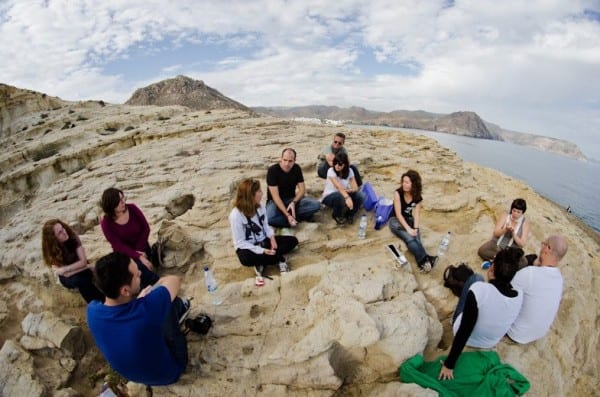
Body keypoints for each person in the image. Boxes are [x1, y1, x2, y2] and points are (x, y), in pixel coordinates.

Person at [87, 252, 190, 386]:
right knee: (171, 304)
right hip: (169, 373)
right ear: (125, 291)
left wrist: (139, 300)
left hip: (133, 376)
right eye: (136, 275)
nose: (141, 273)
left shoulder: (92, 311)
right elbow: (174, 280)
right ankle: (183, 309)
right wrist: (153, 291)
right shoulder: (146, 310)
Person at [439, 247, 524, 380]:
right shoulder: (519, 295)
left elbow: (464, 331)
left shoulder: (479, 290)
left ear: (491, 268)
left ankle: (453, 318)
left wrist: (449, 365)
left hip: (467, 336)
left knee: (476, 277)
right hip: (489, 343)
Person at [230, 179, 299, 286]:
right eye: (259, 191)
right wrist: (261, 250)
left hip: (264, 241)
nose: (262, 194)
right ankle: (278, 259)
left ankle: (263, 261)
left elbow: (266, 226)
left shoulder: (260, 206)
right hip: (249, 247)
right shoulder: (236, 215)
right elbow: (240, 242)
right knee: (245, 258)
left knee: (293, 241)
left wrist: (272, 238)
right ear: (251, 195)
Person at [507, 235, 567, 344]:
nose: (541, 246)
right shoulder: (559, 279)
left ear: (548, 248)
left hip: (516, 333)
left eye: (543, 244)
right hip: (538, 334)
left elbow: (505, 292)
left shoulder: (530, 273)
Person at [100, 187, 159, 288]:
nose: (123, 202)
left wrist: (139, 250)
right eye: (119, 201)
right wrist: (137, 255)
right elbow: (118, 245)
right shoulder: (106, 223)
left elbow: (146, 228)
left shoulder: (132, 208)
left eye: (123, 198)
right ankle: (157, 285)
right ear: (111, 205)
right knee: (138, 266)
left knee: (144, 264)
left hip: (141, 245)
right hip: (124, 253)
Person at [41, 219, 104, 303]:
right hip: (70, 277)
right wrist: (87, 267)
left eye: (62, 228)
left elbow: (83, 261)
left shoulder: (72, 236)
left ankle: (103, 302)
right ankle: (97, 305)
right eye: (59, 233)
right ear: (53, 239)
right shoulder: (51, 249)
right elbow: (66, 274)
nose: (64, 232)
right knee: (82, 279)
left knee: (93, 275)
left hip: (78, 268)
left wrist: (83, 266)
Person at [388, 170, 437, 272]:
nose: (404, 185)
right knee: (409, 239)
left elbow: (417, 214)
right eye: (403, 182)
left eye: (407, 182)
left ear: (413, 184)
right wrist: (408, 230)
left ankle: (424, 262)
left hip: (409, 219)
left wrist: (415, 228)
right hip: (395, 221)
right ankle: (423, 262)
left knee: (417, 240)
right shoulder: (398, 193)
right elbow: (398, 214)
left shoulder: (417, 196)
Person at [266, 148, 321, 228]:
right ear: (281, 159)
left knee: (316, 205)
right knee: (270, 218)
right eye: (285, 160)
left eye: (290, 161)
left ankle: (289, 217)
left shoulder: (296, 168)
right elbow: (275, 197)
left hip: (291, 199)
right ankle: (293, 218)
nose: (287, 164)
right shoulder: (273, 171)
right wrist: (287, 215)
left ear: (294, 160)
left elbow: (302, 190)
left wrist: (293, 202)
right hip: (275, 202)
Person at [478, 198, 530, 268]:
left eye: (518, 212)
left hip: (512, 251)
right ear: (511, 209)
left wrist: (513, 234)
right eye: (514, 210)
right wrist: (505, 230)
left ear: (522, 213)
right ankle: (502, 263)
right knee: (482, 250)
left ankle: (496, 262)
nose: (515, 214)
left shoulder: (525, 223)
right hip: (497, 245)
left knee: (524, 263)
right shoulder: (505, 215)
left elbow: (522, 244)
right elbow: (495, 233)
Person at [321, 152, 364, 225]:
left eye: (340, 164)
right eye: (335, 163)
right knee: (339, 196)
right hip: (330, 196)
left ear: (345, 165)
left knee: (360, 196)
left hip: (343, 193)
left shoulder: (350, 171)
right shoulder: (331, 171)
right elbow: (338, 187)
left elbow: (355, 187)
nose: (337, 166)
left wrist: (348, 191)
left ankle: (350, 214)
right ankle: (337, 215)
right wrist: (347, 197)